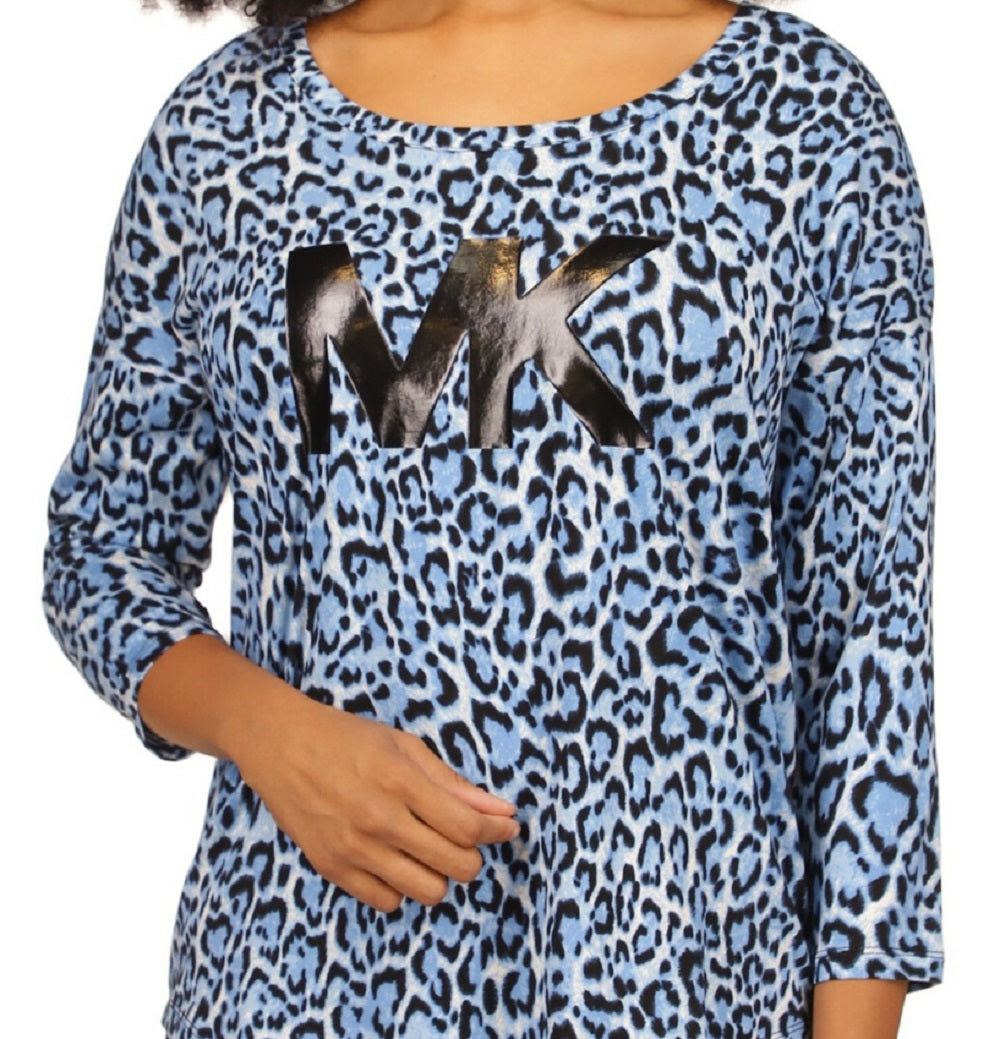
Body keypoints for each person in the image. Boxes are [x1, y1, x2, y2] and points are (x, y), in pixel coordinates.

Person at [39, 0, 944, 1036]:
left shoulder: (800, 113)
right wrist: (268, 731)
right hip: (301, 974)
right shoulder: (226, 129)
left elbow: (870, 642)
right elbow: (102, 551)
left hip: (677, 977)